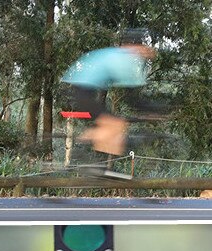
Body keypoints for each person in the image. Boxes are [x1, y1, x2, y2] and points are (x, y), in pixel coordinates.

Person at [61, 29, 160, 157]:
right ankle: (84, 155)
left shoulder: (117, 55)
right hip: (82, 91)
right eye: (140, 47)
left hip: (81, 89)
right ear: (130, 46)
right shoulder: (123, 60)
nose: (142, 51)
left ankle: (98, 164)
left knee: (111, 124)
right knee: (115, 125)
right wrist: (154, 112)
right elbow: (132, 98)